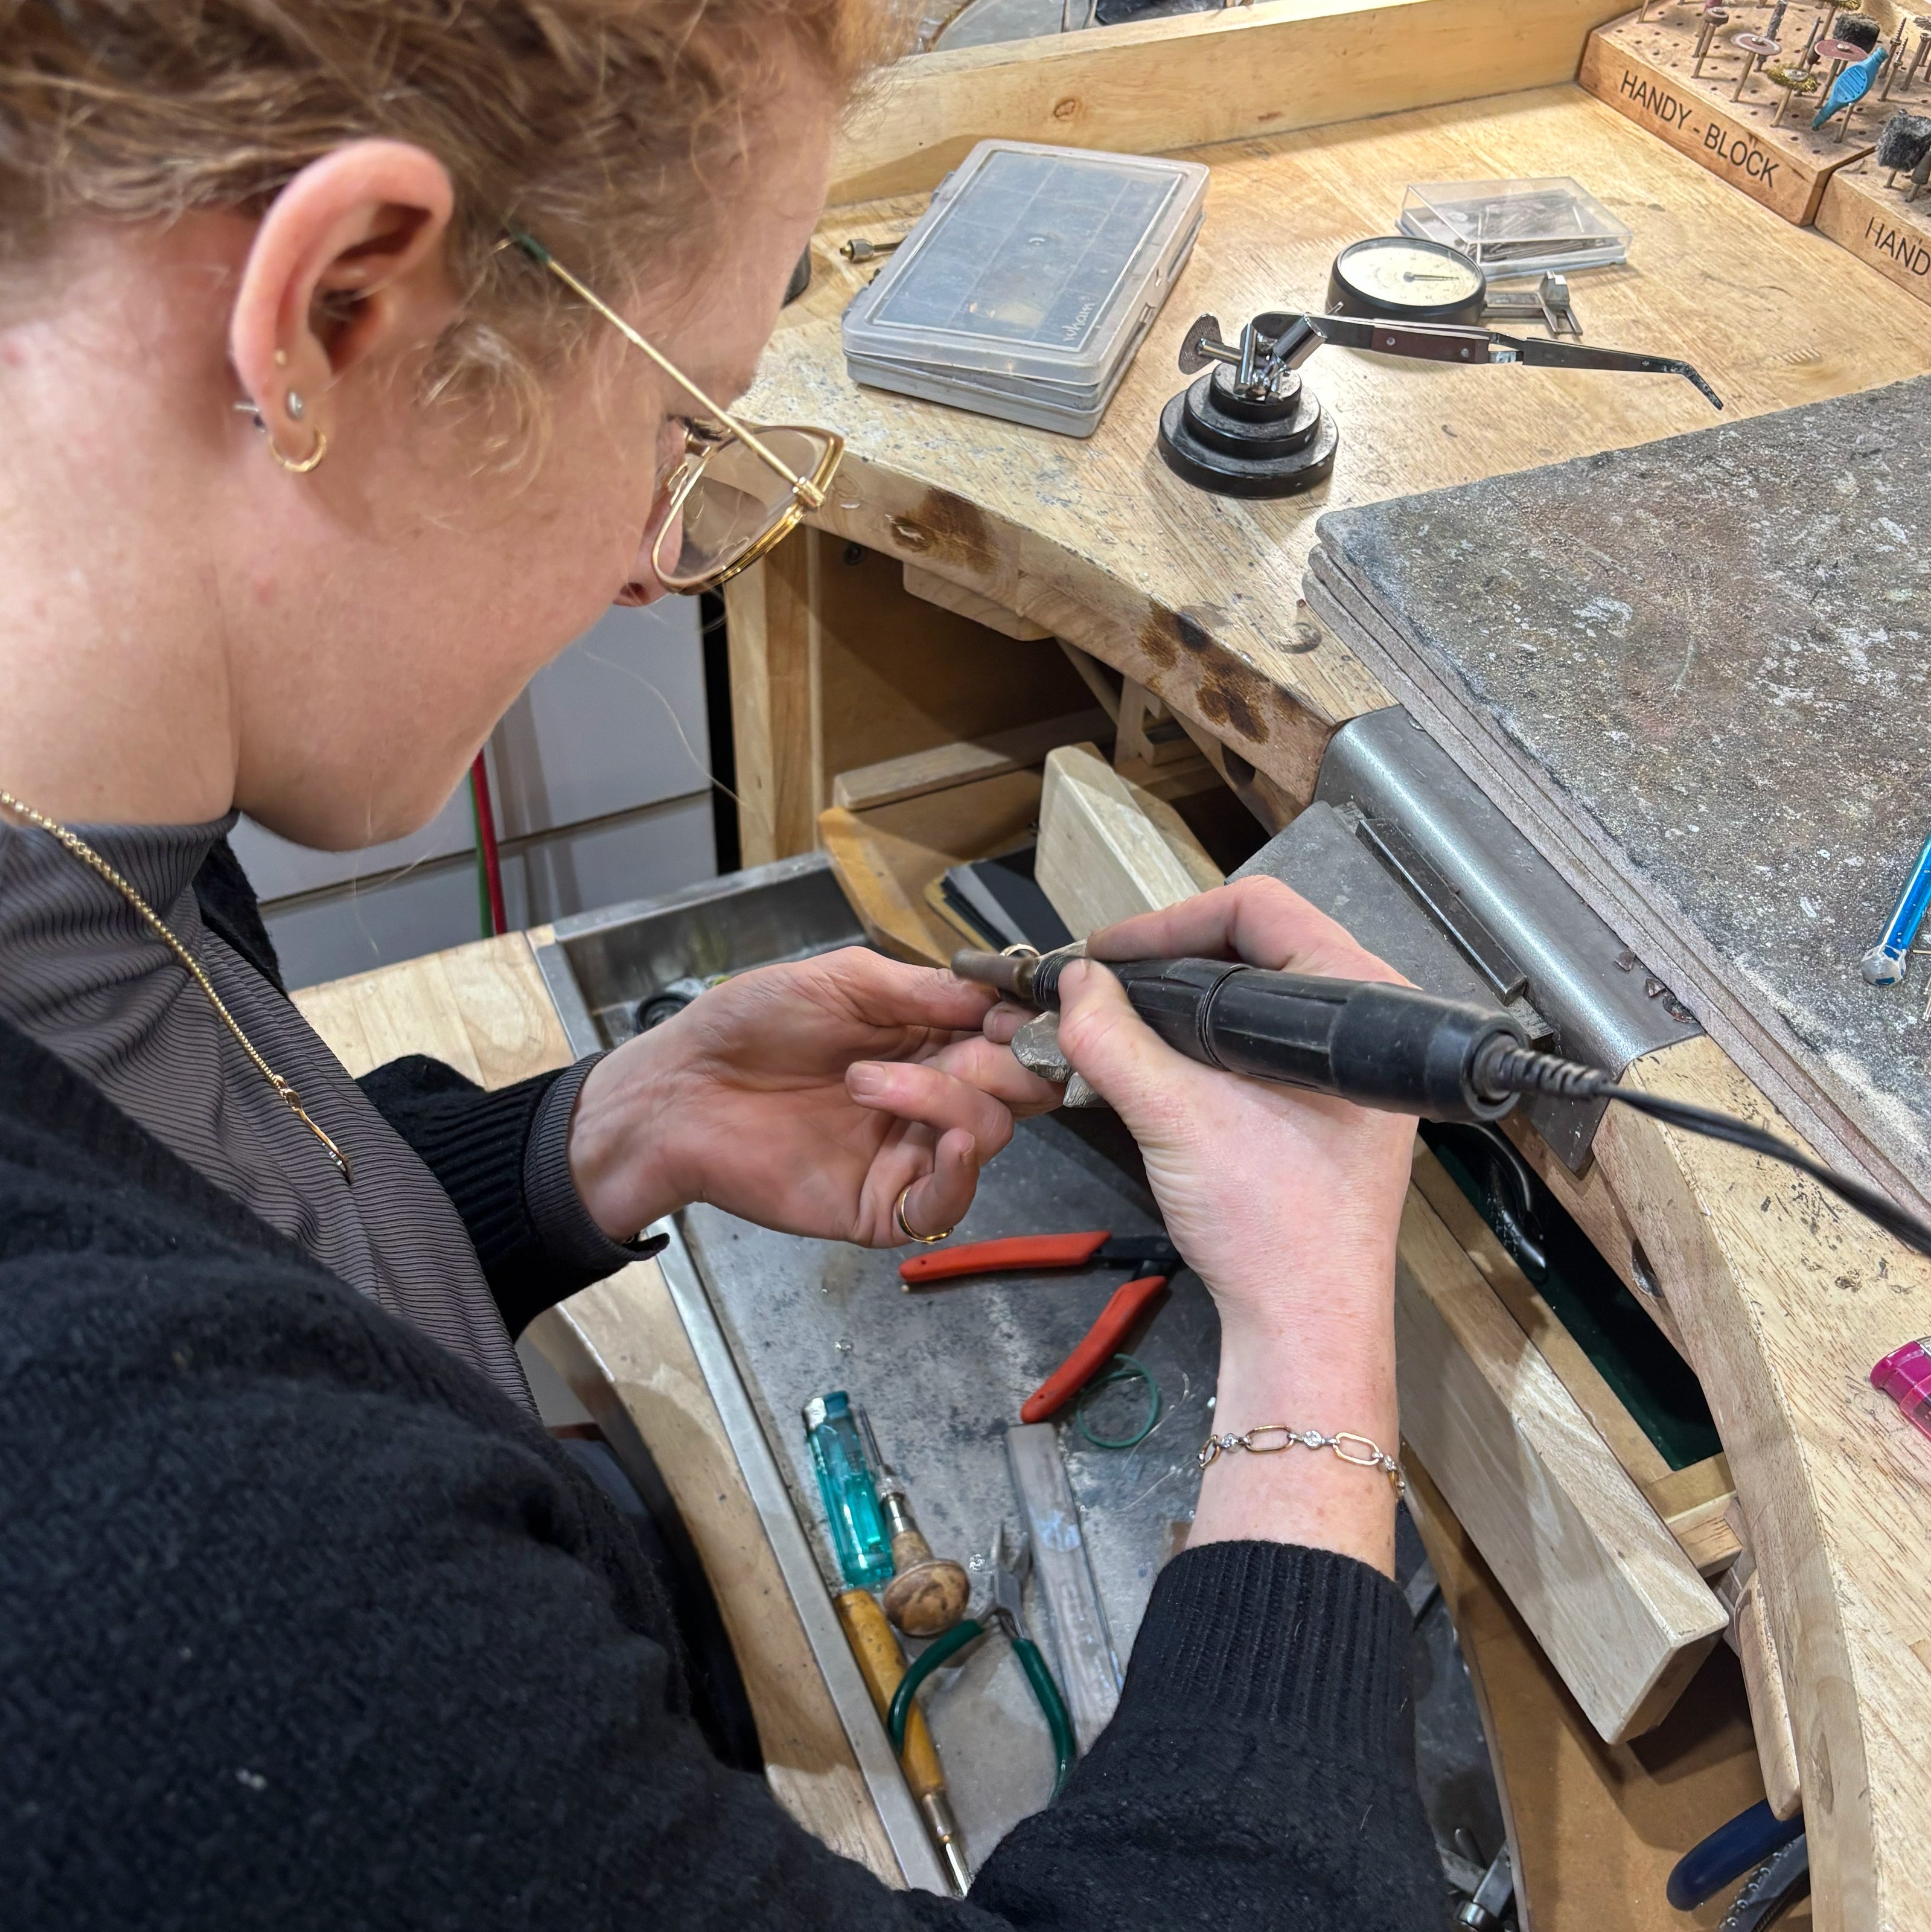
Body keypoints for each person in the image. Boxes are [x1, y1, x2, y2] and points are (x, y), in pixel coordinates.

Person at [0, 3, 1443, 1925]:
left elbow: (189, 1191)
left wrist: (585, 1141)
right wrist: (1319, 1362)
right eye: (684, 415)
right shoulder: (172, 1574)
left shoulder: (88, 840)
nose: (657, 564)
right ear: (342, 306)